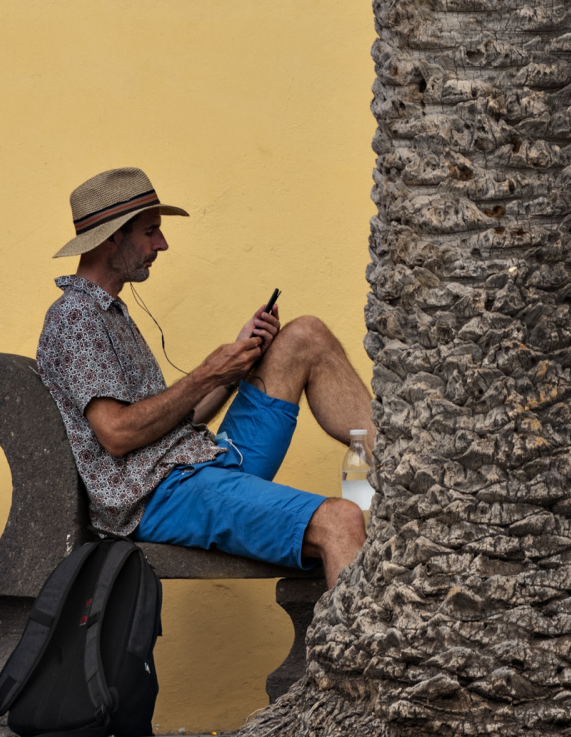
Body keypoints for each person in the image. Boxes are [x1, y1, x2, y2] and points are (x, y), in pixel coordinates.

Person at [34, 166, 376, 585]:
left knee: (305, 336)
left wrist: (232, 370)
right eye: (150, 231)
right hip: (160, 495)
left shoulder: (109, 312)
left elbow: (172, 419)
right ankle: (362, 632)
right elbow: (117, 434)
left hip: (199, 464)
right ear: (112, 237)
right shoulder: (76, 317)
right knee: (340, 521)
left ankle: (402, 467)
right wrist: (206, 373)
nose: (162, 243)